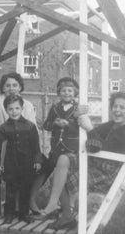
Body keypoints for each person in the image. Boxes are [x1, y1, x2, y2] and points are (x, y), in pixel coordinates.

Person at [38, 91, 125, 230]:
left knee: (60, 175)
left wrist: (90, 129)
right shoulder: (111, 125)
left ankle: (67, 215)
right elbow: (91, 139)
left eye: (122, 107)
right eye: (115, 106)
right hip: (96, 162)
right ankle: (54, 205)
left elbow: (100, 147)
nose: (117, 110)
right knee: (63, 160)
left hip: (107, 171)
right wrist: (75, 119)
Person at [29, 77, 82, 225]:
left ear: (75, 92)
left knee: (63, 168)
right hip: (56, 150)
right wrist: (54, 123)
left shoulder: (79, 108)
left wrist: (68, 125)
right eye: (63, 90)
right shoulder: (54, 108)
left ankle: (64, 206)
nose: (67, 93)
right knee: (45, 167)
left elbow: (83, 128)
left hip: (72, 150)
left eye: (70, 91)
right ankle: (31, 200)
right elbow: (46, 125)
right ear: (59, 93)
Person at [0, 95, 42, 224]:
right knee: (10, 190)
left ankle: (24, 214)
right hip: (10, 165)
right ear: (6, 110)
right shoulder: (2, 129)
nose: (14, 111)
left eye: (17, 108)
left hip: (27, 164)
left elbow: (36, 147)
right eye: (10, 109)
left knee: (25, 189)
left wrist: (37, 161)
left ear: (22, 108)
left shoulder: (30, 126)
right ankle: (9, 214)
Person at [0, 72, 37, 169]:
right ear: (3, 88)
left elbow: (34, 132)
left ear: (20, 87)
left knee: (43, 164)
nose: (11, 89)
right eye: (7, 86)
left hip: (25, 150)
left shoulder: (28, 105)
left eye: (15, 85)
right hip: (2, 150)